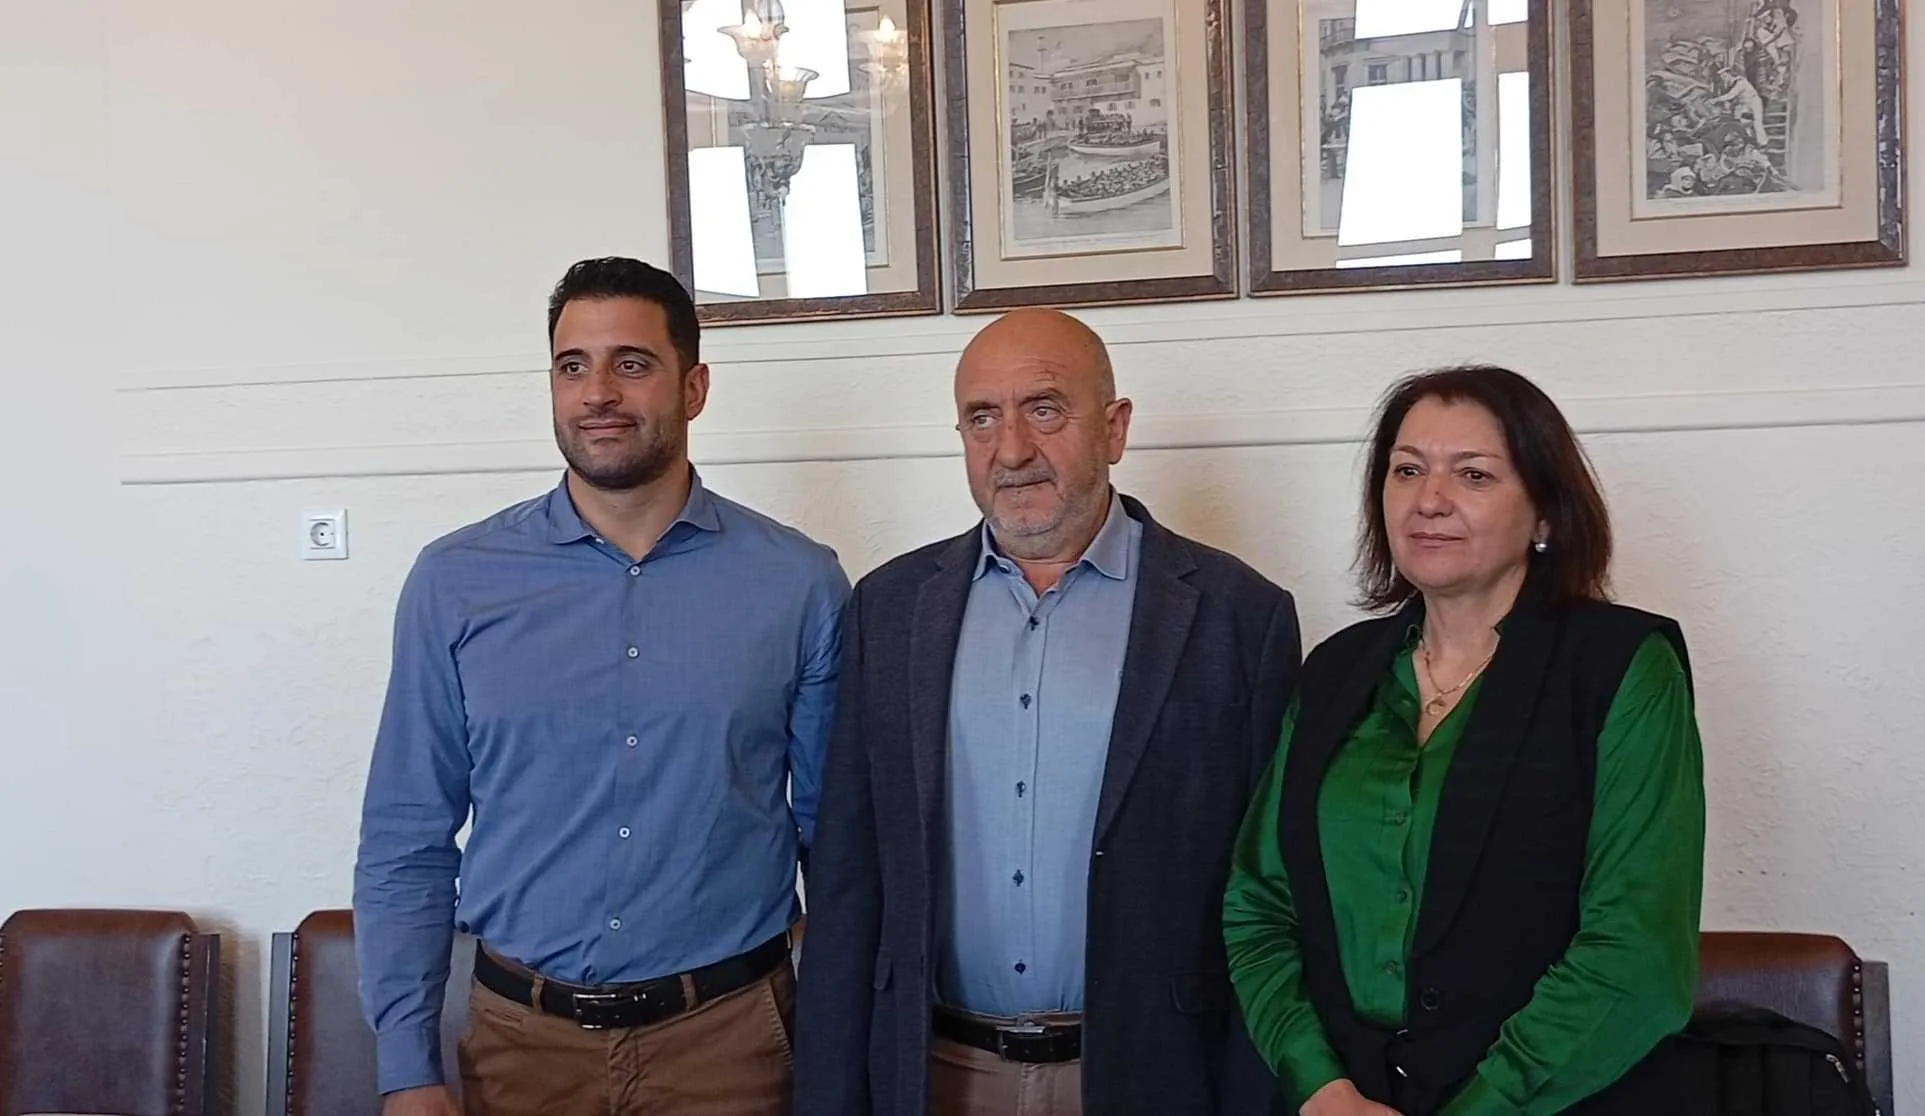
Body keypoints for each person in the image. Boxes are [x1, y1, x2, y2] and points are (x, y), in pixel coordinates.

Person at [354, 257, 851, 1116]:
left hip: (730, 1046)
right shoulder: (454, 582)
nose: (597, 394)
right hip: (520, 1048)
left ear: (694, 388)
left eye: (632, 363)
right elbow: (407, 836)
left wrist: (846, 1049)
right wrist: (406, 1066)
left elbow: (834, 839)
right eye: (572, 366)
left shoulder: (800, 584)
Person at [793, 308, 1302, 1116]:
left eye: (1044, 409)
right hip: (936, 1075)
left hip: (1150, 1076)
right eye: (981, 418)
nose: (1011, 450)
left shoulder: (1240, 616)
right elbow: (848, 879)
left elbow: (1270, 892)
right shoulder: (889, 609)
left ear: (1115, 428)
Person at [1223, 365, 1706, 1116]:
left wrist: (1485, 1105)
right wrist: (1318, 1085)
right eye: (1407, 470)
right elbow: (1258, 904)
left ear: (1545, 513)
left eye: (1473, 475)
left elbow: (1638, 954)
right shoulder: (1336, 671)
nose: (1429, 500)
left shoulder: (1622, 667)